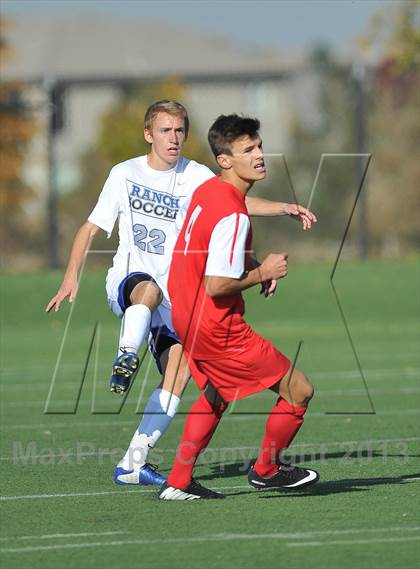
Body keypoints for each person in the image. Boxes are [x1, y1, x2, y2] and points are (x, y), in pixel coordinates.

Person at [46, 100, 316, 487]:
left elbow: (229, 208)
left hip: (178, 294)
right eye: (165, 130)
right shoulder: (124, 174)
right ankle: (125, 356)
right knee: (148, 291)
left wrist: (280, 211)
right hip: (131, 280)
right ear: (148, 134)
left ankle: (134, 463)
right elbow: (90, 228)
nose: (174, 138)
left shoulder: (197, 176)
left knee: (182, 371)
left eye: (180, 131)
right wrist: (70, 276)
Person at [160, 114, 319, 500]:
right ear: (225, 159)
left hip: (186, 317)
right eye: (248, 150)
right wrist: (262, 269)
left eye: (259, 145)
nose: (260, 154)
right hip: (217, 325)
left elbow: (210, 253)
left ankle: (178, 481)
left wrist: (252, 263)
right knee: (300, 390)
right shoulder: (232, 213)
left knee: (215, 394)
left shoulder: (209, 192)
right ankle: (267, 469)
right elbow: (217, 285)